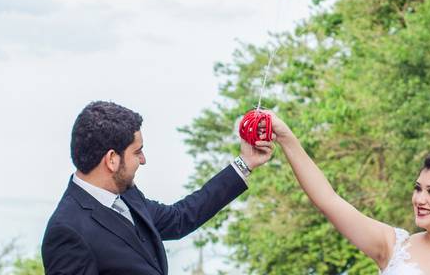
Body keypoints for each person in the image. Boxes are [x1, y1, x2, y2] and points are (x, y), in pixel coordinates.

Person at [42, 101, 273, 274]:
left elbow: (180, 218)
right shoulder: (67, 232)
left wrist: (245, 163)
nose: (143, 160)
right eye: (137, 151)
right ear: (112, 159)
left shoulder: (127, 195)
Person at [267, 112, 430, 275]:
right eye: (417, 188)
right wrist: (286, 138)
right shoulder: (393, 245)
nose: (419, 199)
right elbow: (329, 200)